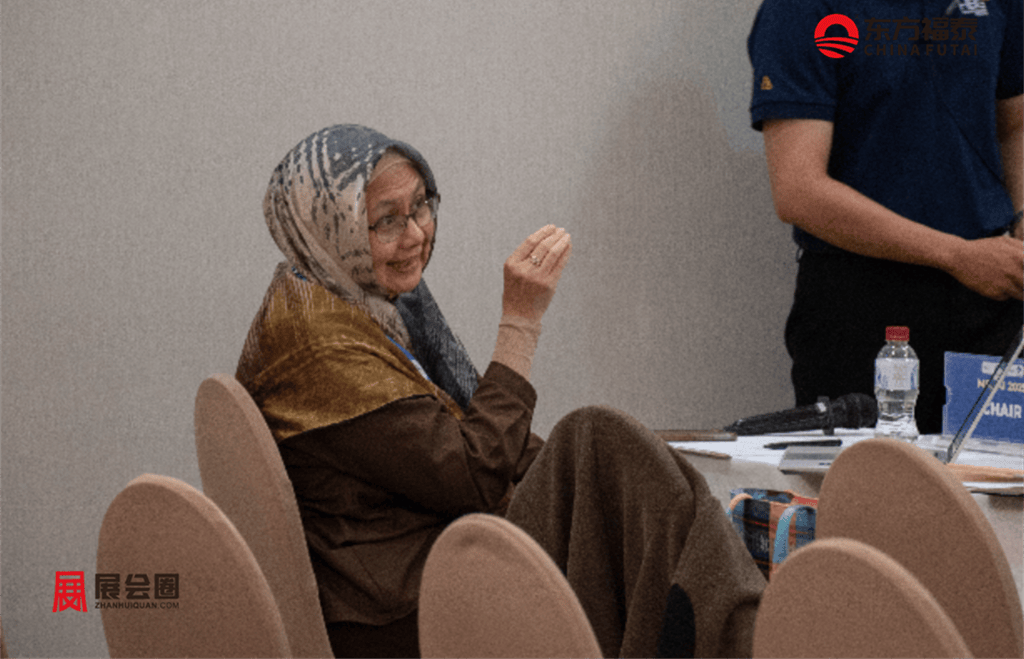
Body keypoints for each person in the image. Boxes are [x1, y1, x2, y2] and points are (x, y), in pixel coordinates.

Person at [236, 124, 765, 658]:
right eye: (386, 220)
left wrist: (588, 472)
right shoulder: (318, 347)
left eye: (420, 206)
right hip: (406, 609)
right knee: (601, 442)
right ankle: (751, 640)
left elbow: (469, 439)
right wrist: (521, 320)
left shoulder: (354, 297)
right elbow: (475, 475)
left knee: (610, 457)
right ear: (330, 227)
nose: (415, 234)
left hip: (433, 556)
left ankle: (738, 637)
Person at [748, 0, 1023, 435]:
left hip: (991, 297)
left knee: (995, 475)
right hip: (862, 306)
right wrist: (956, 255)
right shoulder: (806, 0)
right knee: (870, 478)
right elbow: (799, 190)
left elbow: (1015, 124)